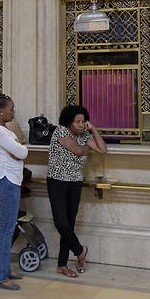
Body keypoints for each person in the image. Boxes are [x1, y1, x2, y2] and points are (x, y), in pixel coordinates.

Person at [46, 104, 107, 277]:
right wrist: (88, 146)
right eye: (77, 121)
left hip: (75, 183)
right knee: (61, 223)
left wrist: (93, 129)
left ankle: (62, 265)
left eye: (83, 121)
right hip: (57, 181)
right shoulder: (61, 132)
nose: (81, 125)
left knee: (70, 224)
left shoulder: (85, 135)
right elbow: (79, 151)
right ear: (69, 122)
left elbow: (102, 150)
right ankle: (81, 251)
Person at [0, 93, 28, 290]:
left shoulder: (1, 129)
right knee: (6, 229)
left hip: (8, 179)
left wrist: (18, 148)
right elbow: (22, 151)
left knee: (8, 228)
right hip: (6, 180)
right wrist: (19, 148)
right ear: (1, 111)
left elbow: (18, 149)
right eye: (11, 109)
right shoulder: (0, 132)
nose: (14, 112)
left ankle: (3, 269)